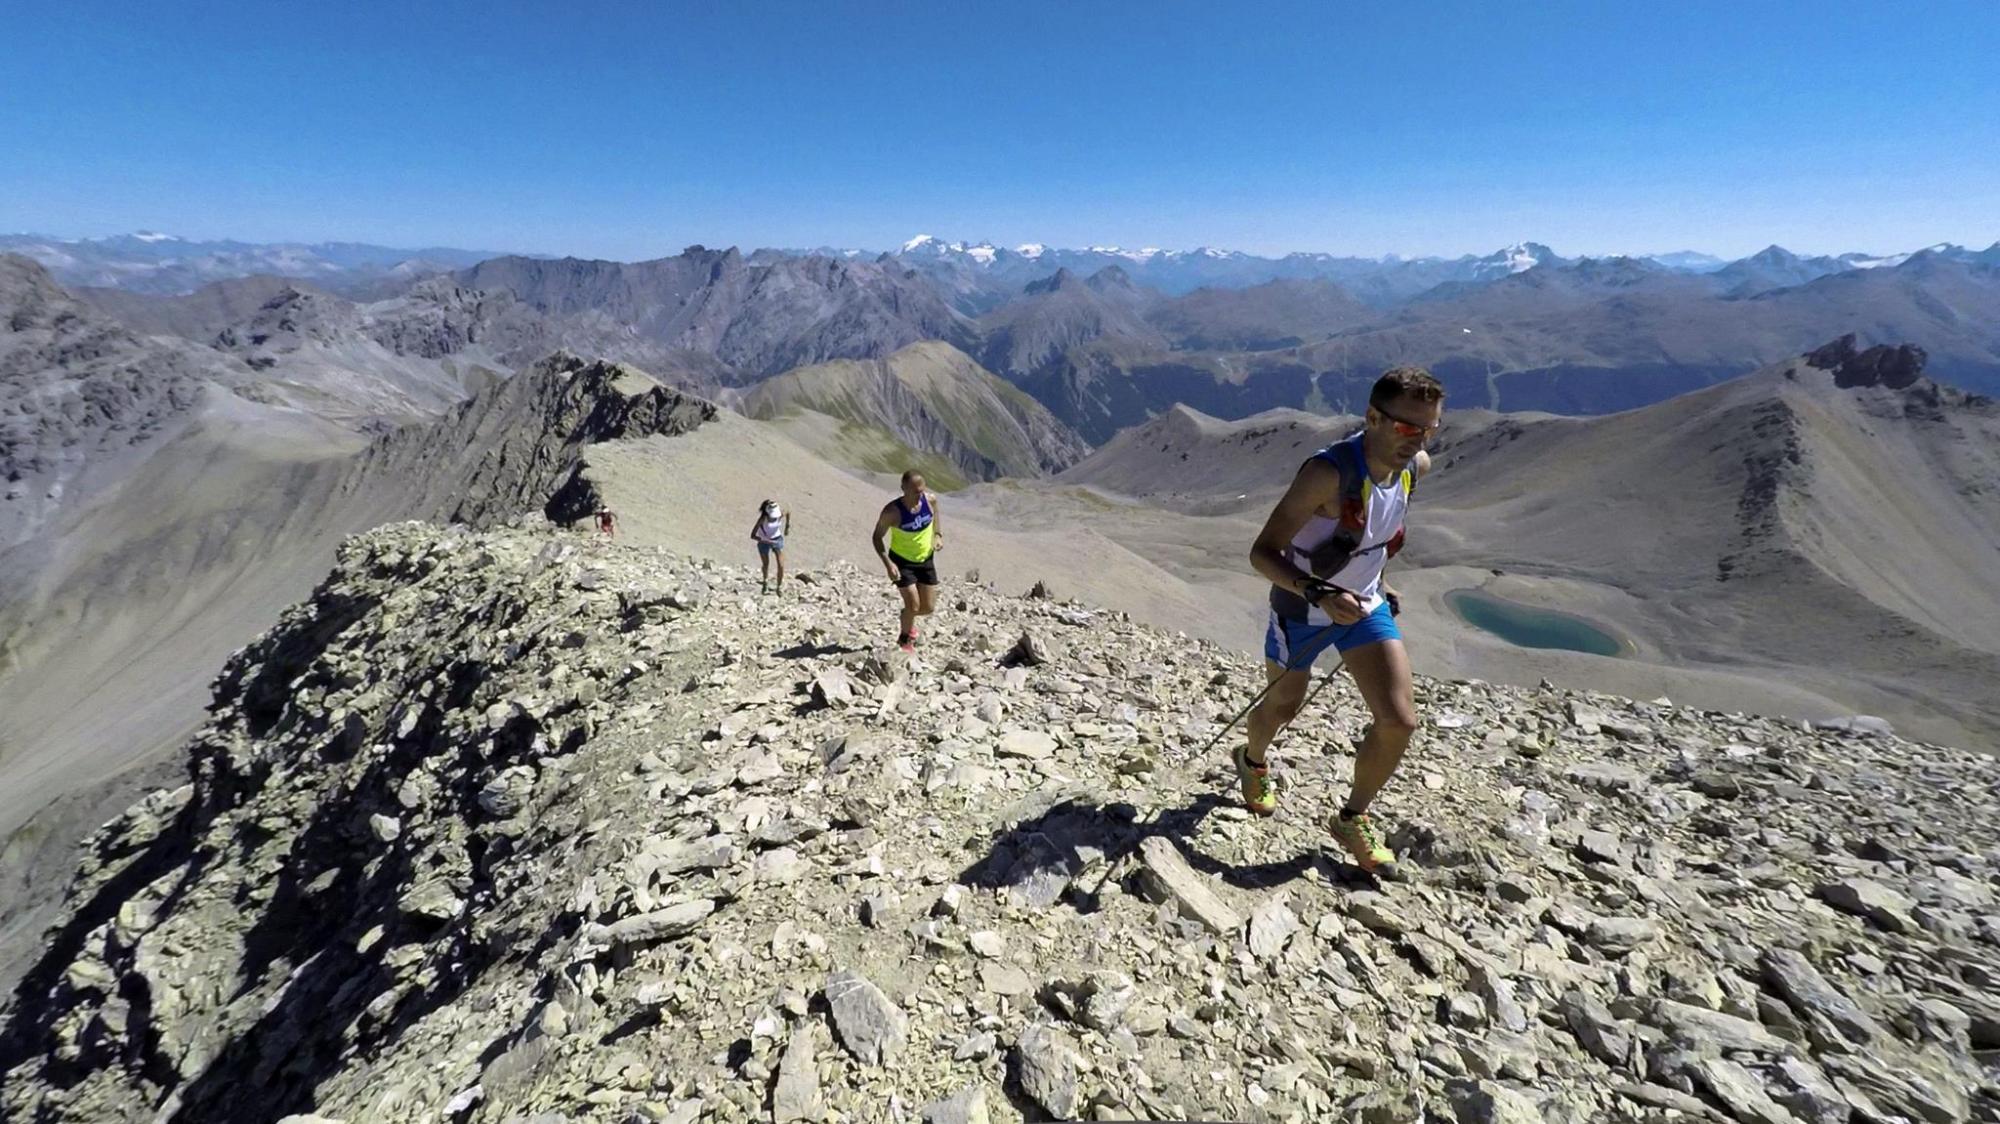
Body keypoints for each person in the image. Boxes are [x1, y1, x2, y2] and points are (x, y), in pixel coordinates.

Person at [1239, 365, 1443, 874]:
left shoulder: (1415, 466)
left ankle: (1352, 817)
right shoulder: (1327, 474)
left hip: (1364, 605)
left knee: (1398, 721)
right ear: (1372, 417)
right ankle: (1253, 760)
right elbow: (1263, 553)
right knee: (1283, 707)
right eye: (1406, 427)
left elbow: (1375, 532)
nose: (1417, 440)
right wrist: (1316, 591)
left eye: (1429, 429)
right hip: (1302, 607)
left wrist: (1381, 582)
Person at [872, 470, 943, 653]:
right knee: (914, 604)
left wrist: (937, 534)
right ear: (904, 489)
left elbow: (936, 515)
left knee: (928, 608)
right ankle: (904, 640)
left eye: (922, 490)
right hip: (901, 562)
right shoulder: (892, 512)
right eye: (915, 491)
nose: (919, 495)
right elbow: (877, 537)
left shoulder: (930, 500)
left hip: (925, 559)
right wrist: (888, 563)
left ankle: (906, 616)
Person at [752, 499, 791, 594]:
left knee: (781, 565)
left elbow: (788, 512)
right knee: (766, 564)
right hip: (764, 541)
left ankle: (779, 586)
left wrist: (787, 526)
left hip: (776, 539)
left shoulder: (779, 515)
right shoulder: (762, 519)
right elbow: (753, 535)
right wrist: (764, 540)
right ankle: (765, 581)